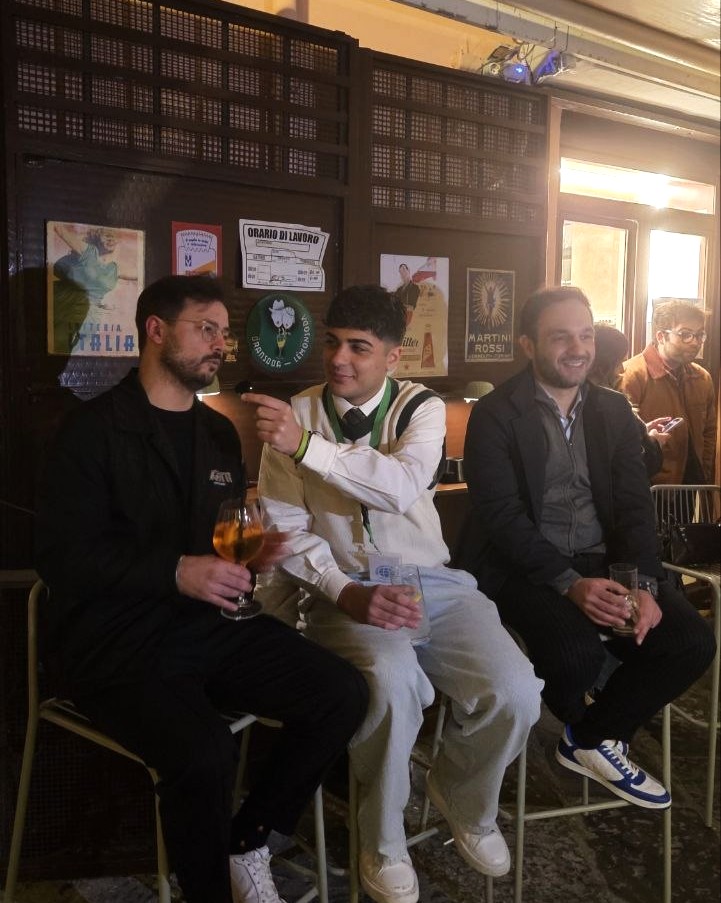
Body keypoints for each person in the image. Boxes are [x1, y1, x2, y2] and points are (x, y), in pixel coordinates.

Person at [35, 275, 368, 903]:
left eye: (224, 333)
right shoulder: (90, 431)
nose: (220, 343)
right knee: (207, 751)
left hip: (205, 627)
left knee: (341, 692)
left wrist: (251, 555)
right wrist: (175, 571)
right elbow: (62, 557)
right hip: (113, 645)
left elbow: (221, 537)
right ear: (156, 331)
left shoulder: (217, 433)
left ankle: (247, 842)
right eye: (206, 329)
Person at [242, 285, 542, 903]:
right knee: (391, 683)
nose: (340, 359)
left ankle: (462, 796)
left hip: (432, 581)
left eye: (359, 347)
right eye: (332, 344)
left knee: (516, 690)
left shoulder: (420, 408)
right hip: (342, 587)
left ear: (392, 356)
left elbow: (402, 488)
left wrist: (306, 446)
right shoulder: (298, 411)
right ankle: (382, 841)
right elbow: (287, 527)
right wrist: (343, 590)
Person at [457, 285, 715, 815]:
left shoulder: (613, 410)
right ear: (528, 345)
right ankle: (599, 727)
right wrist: (570, 584)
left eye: (585, 335)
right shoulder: (496, 413)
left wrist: (644, 585)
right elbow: (502, 518)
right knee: (574, 657)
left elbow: (634, 506)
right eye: (560, 337)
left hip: (606, 559)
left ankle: (589, 738)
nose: (577, 349)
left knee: (690, 641)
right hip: (527, 568)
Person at [620, 299, 717, 484]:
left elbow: (709, 432)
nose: (695, 342)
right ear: (661, 336)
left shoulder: (702, 378)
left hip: (690, 484)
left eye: (699, 335)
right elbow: (622, 440)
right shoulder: (631, 375)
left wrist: (704, 473)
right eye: (685, 335)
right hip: (649, 484)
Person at [588, 323, 670, 479]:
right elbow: (634, 464)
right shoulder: (612, 404)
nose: (622, 369)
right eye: (619, 362)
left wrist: (641, 430)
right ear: (604, 364)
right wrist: (654, 442)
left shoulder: (576, 398)